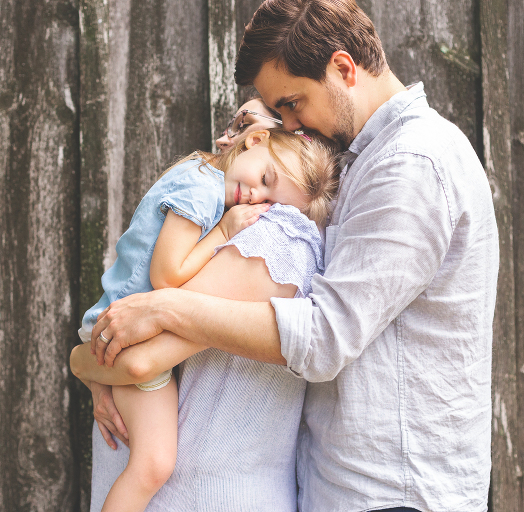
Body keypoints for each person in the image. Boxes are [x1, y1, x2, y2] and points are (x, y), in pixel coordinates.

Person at [87, 1, 500, 511]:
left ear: (344, 68)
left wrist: (163, 308)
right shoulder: (360, 160)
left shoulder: (409, 165)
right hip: (346, 486)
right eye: (276, 113)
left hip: (395, 492)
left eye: (293, 103)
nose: (290, 122)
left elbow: (327, 335)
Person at [73, 124, 337, 511]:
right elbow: (166, 278)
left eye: (269, 199)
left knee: (152, 464)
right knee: (152, 465)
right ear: (257, 139)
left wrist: (83, 367)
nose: (254, 197)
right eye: (264, 179)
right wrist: (224, 232)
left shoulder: (208, 183)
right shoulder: (202, 190)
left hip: (120, 334)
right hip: (122, 330)